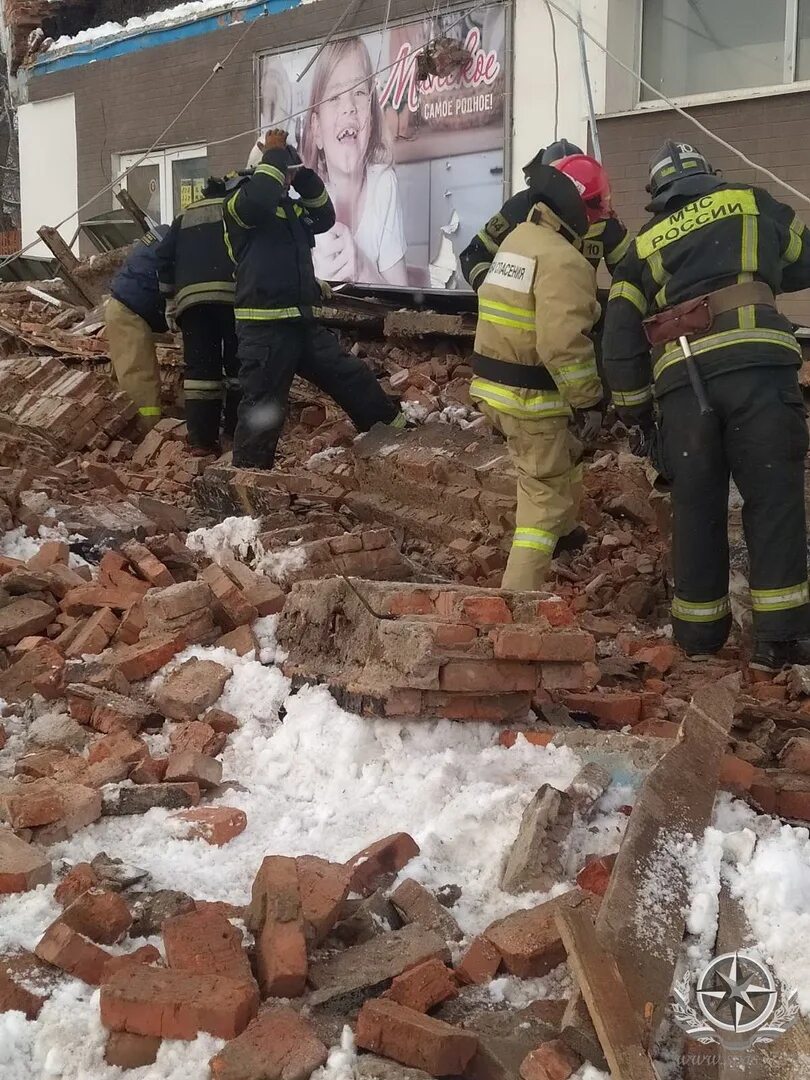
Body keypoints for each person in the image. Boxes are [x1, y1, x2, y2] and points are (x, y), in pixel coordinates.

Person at [603, 140, 810, 670]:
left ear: (657, 195)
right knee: (773, 499)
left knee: (696, 508)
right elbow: (803, 260)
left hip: (684, 389)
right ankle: (779, 639)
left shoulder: (642, 246)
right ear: (707, 177)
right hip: (760, 376)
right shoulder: (749, 203)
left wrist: (637, 415)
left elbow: (621, 337)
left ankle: (697, 640)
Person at [223, 129, 404, 470]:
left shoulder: (288, 208)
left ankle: (395, 439)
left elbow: (324, 217)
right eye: (283, 172)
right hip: (264, 328)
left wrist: (302, 173)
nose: (286, 179)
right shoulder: (241, 203)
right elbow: (261, 198)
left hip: (301, 323)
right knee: (263, 409)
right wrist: (276, 155)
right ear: (262, 168)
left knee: (352, 377)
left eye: (289, 174)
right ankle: (247, 485)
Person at [469, 156, 607, 591]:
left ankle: (567, 534)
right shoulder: (565, 262)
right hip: (530, 398)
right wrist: (590, 400)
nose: (604, 216)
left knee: (562, 455)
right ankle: (515, 604)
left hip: (493, 385)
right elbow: (562, 346)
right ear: (580, 207)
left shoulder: (520, 239)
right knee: (541, 497)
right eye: (599, 206)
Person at [299, 37, 408, 286]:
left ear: (371, 119)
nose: (349, 107)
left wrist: (361, 268)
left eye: (359, 92)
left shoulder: (383, 184)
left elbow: (403, 304)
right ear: (316, 131)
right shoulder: (299, 203)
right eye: (334, 97)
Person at [460, 139, 630, 291]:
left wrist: (617, 313)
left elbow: (630, 272)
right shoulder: (520, 208)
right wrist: (491, 292)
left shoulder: (600, 215)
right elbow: (474, 255)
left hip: (581, 313)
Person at [155, 178, 237, 455]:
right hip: (233, 298)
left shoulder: (185, 216)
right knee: (239, 368)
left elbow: (163, 256)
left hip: (192, 303)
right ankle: (236, 434)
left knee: (200, 373)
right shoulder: (237, 208)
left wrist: (169, 299)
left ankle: (202, 440)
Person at [104, 225, 169, 431]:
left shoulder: (166, 233)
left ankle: (121, 427)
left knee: (125, 375)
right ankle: (146, 433)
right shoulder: (182, 241)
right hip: (131, 311)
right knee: (139, 377)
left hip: (122, 306)